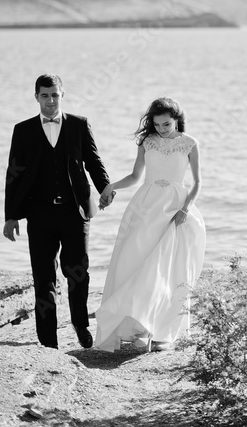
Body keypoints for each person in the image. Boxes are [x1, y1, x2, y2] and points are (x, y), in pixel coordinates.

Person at [3, 74, 111, 349]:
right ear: (36, 97)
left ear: (62, 95)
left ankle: (80, 325)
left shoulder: (79, 125)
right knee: (43, 277)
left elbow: (93, 162)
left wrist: (105, 188)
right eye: (45, 95)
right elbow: (13, 174)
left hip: (75, 213)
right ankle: (48, 340)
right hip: (39, 216)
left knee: (78, 272)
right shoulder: (23, 130)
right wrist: (11, 215)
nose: (50, 101)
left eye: (55, 95)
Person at [93, 97, 206, 352]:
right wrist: (111, 186)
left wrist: (185, 210)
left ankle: (159, 331)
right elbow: (135, 177)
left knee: (166, 269)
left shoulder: (190, 144)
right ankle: (135, 330)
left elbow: (197, 182)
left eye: (166, 124)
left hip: (175, 209)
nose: (162, 129)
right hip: (146, 207)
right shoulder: (147, 142)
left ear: (176, 119)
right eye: (156, 124)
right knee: (133, 265)